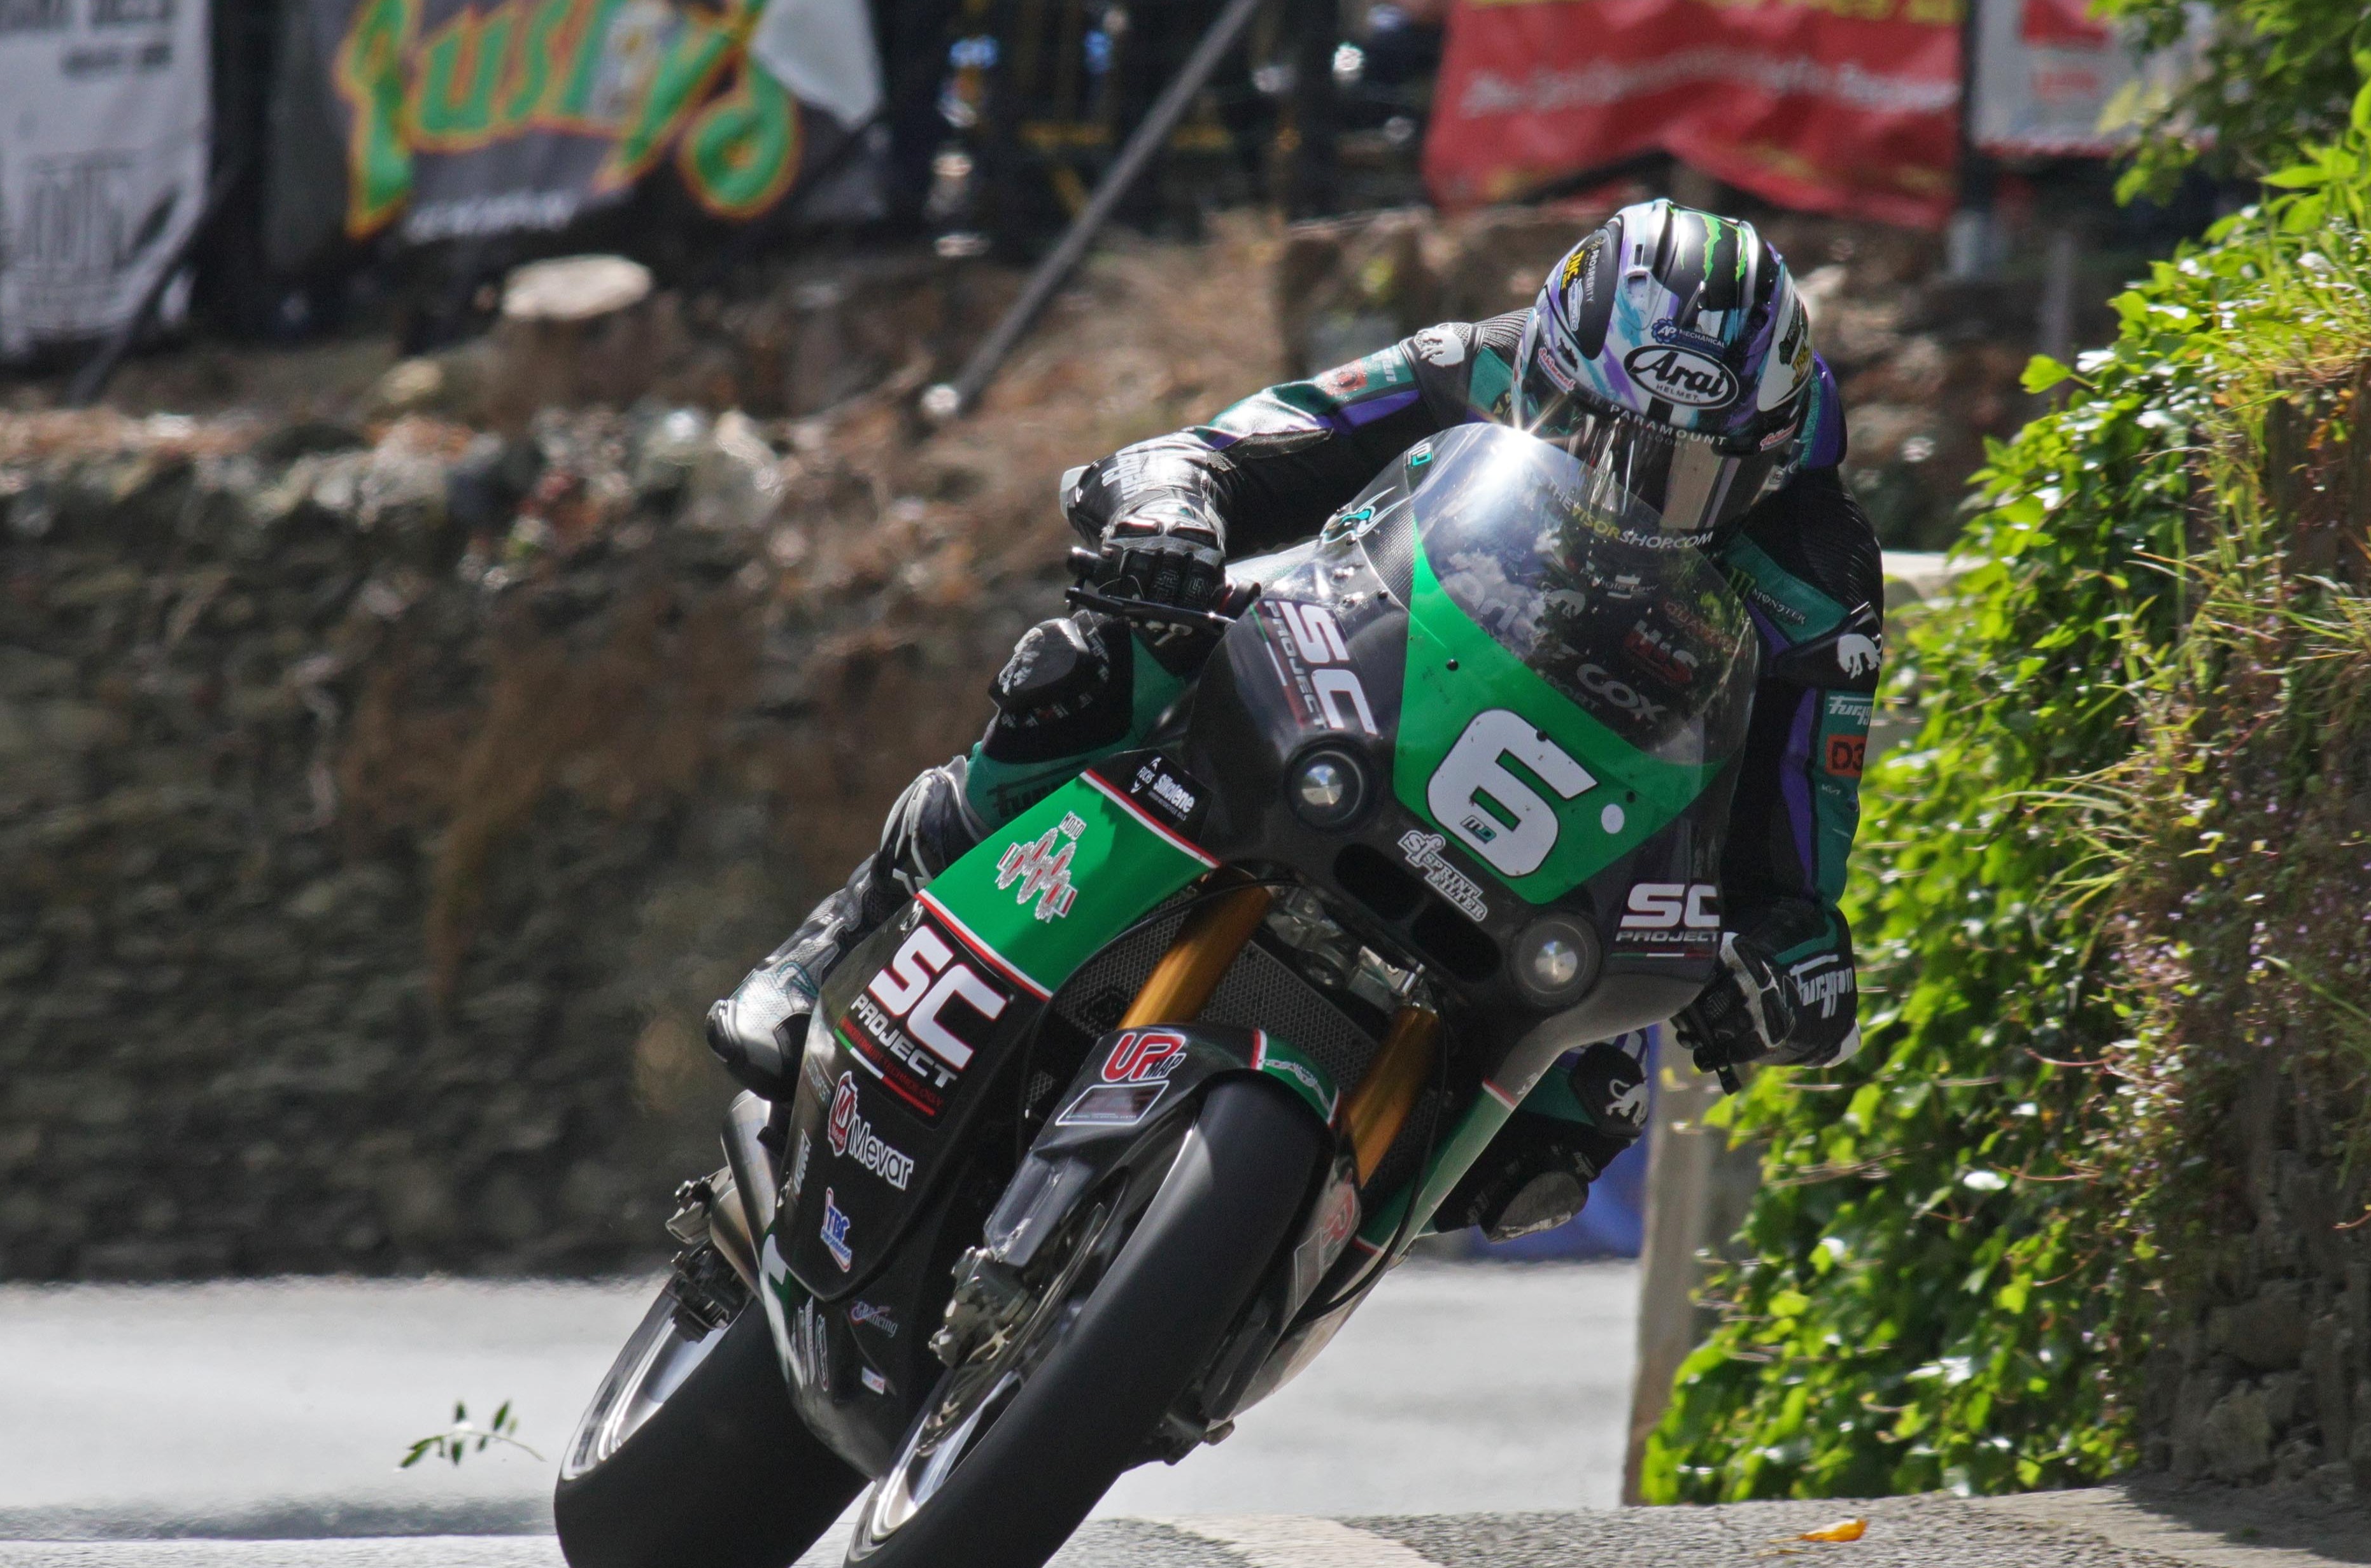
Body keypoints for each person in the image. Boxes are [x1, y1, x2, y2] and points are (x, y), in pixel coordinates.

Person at [707, 199, 1883, 1239]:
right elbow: (1236, 447)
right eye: (1599, 446)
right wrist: (1170, 508)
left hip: (1577, 839)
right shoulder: (1475, 361)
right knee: (1094, 668)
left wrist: (1788, 965)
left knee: (1573, 1128)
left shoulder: (1820, 577)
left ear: (1770, 455)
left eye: (1688, 479)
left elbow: (1800, 850)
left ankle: (1249, 1280)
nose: (1632, 499)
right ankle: (835, 942)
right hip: (1370, 687)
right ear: (1544, 374)